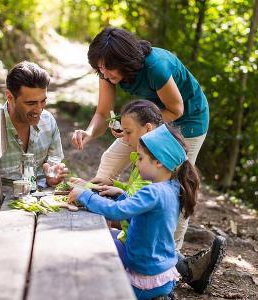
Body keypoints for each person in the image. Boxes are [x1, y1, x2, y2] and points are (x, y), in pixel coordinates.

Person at [70, 27, 210, 253]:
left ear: (124, 60)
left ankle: (171, 259)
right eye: (99, 68)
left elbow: (176, 109)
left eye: (108, 67)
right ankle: (101, 224)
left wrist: (138, 130)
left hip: (189, 120)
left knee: (176, 187)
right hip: (148, 120)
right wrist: (88, 133)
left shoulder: (155, 66)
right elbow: (103, 113)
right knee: (111, 157)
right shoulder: (106, 70)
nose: (104, 74)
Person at [90, 100, 225, 295]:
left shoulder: (153, 183)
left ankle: (176, 278)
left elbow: (121, 209)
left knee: (101, 255)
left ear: (148, 129)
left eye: (128, 132)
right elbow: (133, 194)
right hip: (154, 259)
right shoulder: (168, 181)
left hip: (141, 261)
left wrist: (85, 195)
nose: (124, 138)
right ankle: (185, 273)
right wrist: (118, 189)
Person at [69, 124, 199, 299]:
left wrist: (85, 195)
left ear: (159, 162)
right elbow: (143, 210)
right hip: (164, 273)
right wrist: (122, 195)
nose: (136, 163)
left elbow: (116, 212)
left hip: (145, 277)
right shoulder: (174, 188)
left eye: (140, 158)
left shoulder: (152, 192)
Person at [0, 61, 68, 204]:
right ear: (10, 97)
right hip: (2, 205)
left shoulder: (48, 122)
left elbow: (54, 164)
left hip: (41, 200)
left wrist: (53, 177)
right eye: (31, 103)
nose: (39, 110)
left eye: (43, 101)